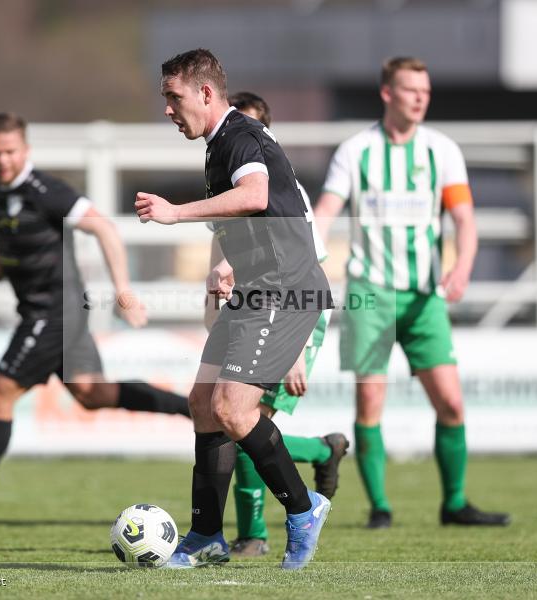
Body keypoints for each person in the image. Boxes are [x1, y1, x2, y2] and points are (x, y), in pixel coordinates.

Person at [0, 112, 190, 521]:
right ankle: (190, 408)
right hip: (52, 313)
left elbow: (104, 228)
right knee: (91, 393)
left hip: (54, 312)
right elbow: (5, 254)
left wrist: (124, 292)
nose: (2, 160)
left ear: (25, 150)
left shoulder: (47, 191)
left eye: (9, 152)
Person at [135, 49, 333, 570]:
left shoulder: (239, 136)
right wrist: (230, 267)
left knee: (233, 409)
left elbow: (255, 193)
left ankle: (303, 508)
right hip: (257, 289)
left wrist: (176, 213)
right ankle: (205, 537)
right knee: (203, 402)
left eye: (173, 98)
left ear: (205, 93)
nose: (168, 110)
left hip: (286, 291)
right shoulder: (217, 143)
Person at [313, 57, 510, 529]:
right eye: (410, 89)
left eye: (425, 89)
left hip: (425, 297)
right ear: (387, 93)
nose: (420, 97)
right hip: (370, 294)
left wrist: (461, 266)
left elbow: (464, 219)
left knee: (451, 403)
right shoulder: (356, 150)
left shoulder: (441, 150)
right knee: (370, 404)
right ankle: (380, 507)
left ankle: (454, 503)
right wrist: (308, 260)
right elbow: (324, 212)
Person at [205, 91, 347, 559]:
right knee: (234, 420)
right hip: (254, 308)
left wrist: (297, 353)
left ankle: (263, 529)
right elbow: (224, 263)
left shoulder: (285, 193)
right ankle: (240, 534)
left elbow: (310, 273)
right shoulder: (225, 180)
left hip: (293, 314)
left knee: (244, 421)